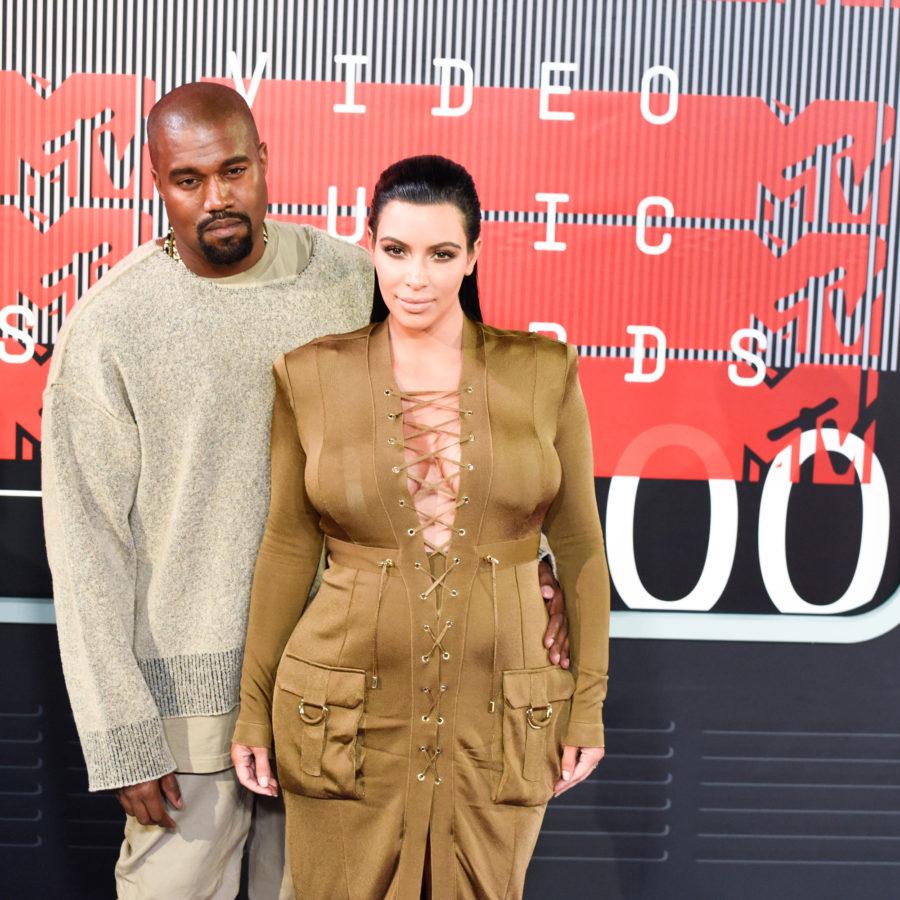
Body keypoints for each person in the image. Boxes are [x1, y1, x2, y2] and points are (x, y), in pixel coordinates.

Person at [40, 85, 570, 898]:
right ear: (154, 180)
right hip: (187, 726)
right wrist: (119, 735)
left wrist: (533, 566)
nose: (217, 198)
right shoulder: (112, 326)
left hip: (342, 697)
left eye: (235, 170)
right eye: (188, 179)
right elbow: (85, 548)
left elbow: (455, 426)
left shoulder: (351, 278)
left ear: (265, 164)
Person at [232, 155, 610, 899]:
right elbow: (286, 546)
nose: (415, 278)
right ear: (368, 242)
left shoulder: (544, 372)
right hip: (337, 711)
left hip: (502, 714)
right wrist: (253, 708)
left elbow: (580, 549)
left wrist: (588, 703)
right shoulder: (309, 376)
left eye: (441, 254)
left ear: (474, 255)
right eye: (396, 250)